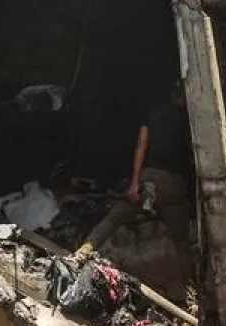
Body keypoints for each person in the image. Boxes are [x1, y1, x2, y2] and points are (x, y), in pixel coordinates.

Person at [76, 84, 195, 299]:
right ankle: (186, 287)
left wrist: (135, 182)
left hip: (149, 178)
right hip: (172, 184)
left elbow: (141, 147)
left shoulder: (153, 115)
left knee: (113, 219)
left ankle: (81, 253)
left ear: (173, 95)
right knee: (181, 239)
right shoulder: (192, 121)